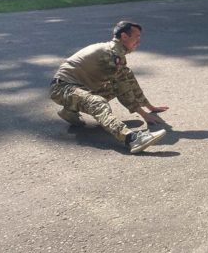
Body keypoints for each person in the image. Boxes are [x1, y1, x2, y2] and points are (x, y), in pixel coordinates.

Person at [50, 21, 168, 154]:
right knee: (97, 102)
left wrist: (149, 106)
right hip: (62, 88)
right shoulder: (113, 54)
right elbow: (122, 88)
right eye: (137, 37)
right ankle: (131, 139)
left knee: (119, 80)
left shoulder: (114, 51)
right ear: (124, 37)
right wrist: (143, 114)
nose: (139, 41)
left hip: (77, 88)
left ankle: (69, 111)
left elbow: (129, 80)